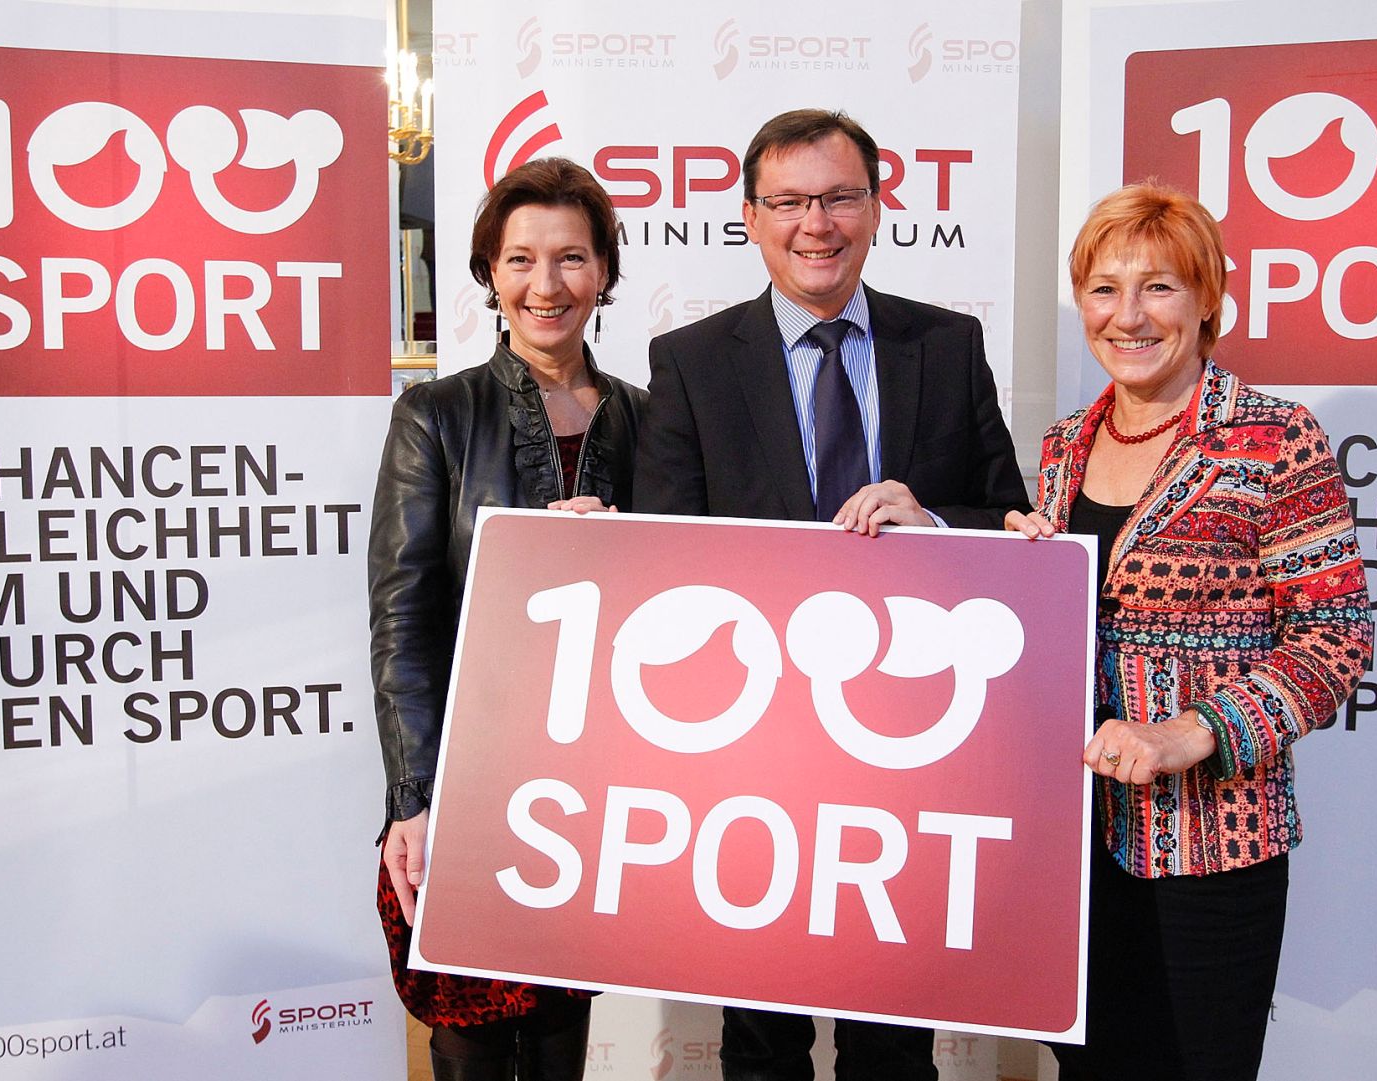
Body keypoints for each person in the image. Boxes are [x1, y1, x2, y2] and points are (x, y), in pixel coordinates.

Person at [634, 108, 1031, 1081]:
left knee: (893, 1040)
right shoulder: (688, 361)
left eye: (838, 196)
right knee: (760, 1039)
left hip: (909, 752)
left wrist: (934, 523)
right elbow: (666, 558)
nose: (817, 222)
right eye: (790, 201)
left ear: (877, 205)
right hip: (752, 760)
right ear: (750, 216)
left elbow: (1014, 523)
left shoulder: (945, 344)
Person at [1006, 182, 1373, 1081]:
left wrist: (1189, 732)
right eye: (1103, 288)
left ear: (1211, 301)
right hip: (1066, 842)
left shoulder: (1275, 438)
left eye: (1159, 287)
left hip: (1212, 836)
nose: (1127, 315)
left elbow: (1333, 638)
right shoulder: (1063, 445)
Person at [367, 157, 646, 1081]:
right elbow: (402, 617)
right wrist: (415, 798)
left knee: (565, 1030)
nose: (546, 285)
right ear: (489, 272)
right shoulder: (436, 415)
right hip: (470, 776)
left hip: (596, 787)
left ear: (604, 269)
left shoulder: (648, 420)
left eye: (571, 258)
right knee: (472, 1034)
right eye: (520, 259)